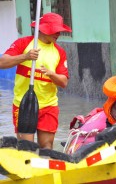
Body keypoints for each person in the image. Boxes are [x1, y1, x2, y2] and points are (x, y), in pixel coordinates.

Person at [0, 12, 72, 149]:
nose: (58, 34)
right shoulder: (24, 43)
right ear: (43, 29)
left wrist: (52, 74)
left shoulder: (59, 52)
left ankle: (47, 169)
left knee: (46, 146)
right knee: (27, 148)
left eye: (59, 31)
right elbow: (2, 62)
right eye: (55, 31)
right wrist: (25, 57)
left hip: (48, 104)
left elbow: (64, 82)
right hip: (24, 103)